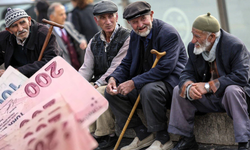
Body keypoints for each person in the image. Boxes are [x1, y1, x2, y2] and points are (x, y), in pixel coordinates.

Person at [104, 1, 187, 150]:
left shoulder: (169, 34)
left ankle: (163, 139)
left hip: (170, 85)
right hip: (146, 83)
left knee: (149, 89)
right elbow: (127, 62)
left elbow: (164, 69)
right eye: (134, 22)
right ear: (129, 23)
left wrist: (134, 82)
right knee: (112, 93)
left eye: (143, 19)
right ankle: (143, 134)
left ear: (152, 15)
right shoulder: (135, 36)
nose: (140, 25)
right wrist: (113, 78)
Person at [168, 13, 250, 150]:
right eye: (192, 35)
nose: (193, 40)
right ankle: (187, 139)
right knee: (179, 89)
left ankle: (244, 143)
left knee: (232, 90)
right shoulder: (193, 47)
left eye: (197, 36)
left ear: (211, 37)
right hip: (207, 99)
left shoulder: (235, 46)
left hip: (229, 98)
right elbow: (187, 72)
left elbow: (242, 77)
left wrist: (207, 86)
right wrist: (190, 88)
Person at [78, 1, 130, 149]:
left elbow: (116, 66)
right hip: (100, 81)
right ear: (97, 20)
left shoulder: (127, 37)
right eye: (103, 18)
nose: (108, 22)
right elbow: (86, 68)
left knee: (100, 91)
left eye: (110, 17)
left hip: (121, 80)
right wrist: (74, 83)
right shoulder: (94, 41)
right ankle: (90, 133)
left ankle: (107, 135)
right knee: (83, 89)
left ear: (117, 16)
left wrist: (98, 83)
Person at [0, 8, 59, 77]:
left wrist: (19, 71)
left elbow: (52, 60)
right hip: (19, 82)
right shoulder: (3, 38)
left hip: (48, 78)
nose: (20, 29)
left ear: (29, 20)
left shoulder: (43, 34)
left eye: (22, 22)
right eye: (14, 26)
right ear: (9, 30)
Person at [48, 2, 87, 70]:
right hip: (65, 70)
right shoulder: (47, 32)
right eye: (61, 14)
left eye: (65, 13)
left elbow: (80, 37)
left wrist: (82, 41)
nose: (65, 17)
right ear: (52, 17)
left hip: (80, 68)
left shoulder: (68, 25)